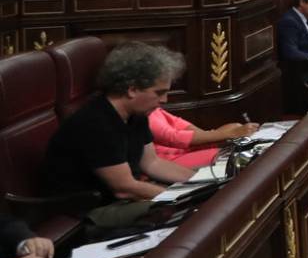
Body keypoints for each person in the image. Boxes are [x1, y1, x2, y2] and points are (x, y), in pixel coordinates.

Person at [43, 42, 196, 228]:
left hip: (120, 200)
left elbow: (152, 163)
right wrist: (182, 196)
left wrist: (200, 183)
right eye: (159, 93)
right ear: (132, 90)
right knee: (186, 210)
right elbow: (125, 188)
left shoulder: (136, 115)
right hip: (87, 212)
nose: (164, 100)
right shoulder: (95, 123)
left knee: (204, 194)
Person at [147, 106, 259, 169]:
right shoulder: (144, 114)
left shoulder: (154, 107)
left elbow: (180, 124)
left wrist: (228, 132)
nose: (164, 99)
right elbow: (173, 138)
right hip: (170, 159)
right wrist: (231, 133)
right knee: (230, 154)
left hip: (186, 148)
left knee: (235, 127)